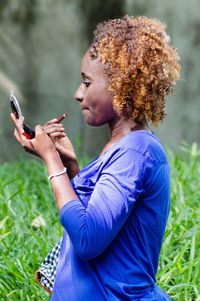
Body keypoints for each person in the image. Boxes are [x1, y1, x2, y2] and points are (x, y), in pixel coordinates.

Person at [11, 15, 180, 301]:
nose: (78, 94)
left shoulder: (135, 152)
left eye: (87, 83)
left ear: (121, 86)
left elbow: (88, 238)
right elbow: (101, 216)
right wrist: (70, 167)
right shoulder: (124, 147)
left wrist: (51, 159)